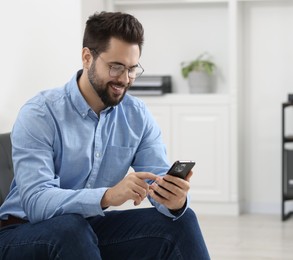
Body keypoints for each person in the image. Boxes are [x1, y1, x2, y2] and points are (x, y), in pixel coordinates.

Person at [0, 11, 210, 259]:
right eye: (116, 67)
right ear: (87, 57)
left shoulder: (137, 116)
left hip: (85, 229)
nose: (124, 79)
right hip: (20, 233)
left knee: (181, 222)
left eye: (132, 69)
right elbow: (37, 203)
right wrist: (109, 195)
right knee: (71, 228)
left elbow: (158, 178)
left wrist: (173, 200)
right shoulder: (40, 113)